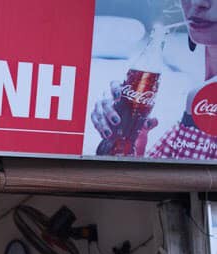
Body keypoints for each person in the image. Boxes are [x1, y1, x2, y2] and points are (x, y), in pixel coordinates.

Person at [91, 0, 217, 160]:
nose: (198, 2)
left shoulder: (201, 98)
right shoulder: (200, 94)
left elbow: (186, 175)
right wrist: (133, 138)